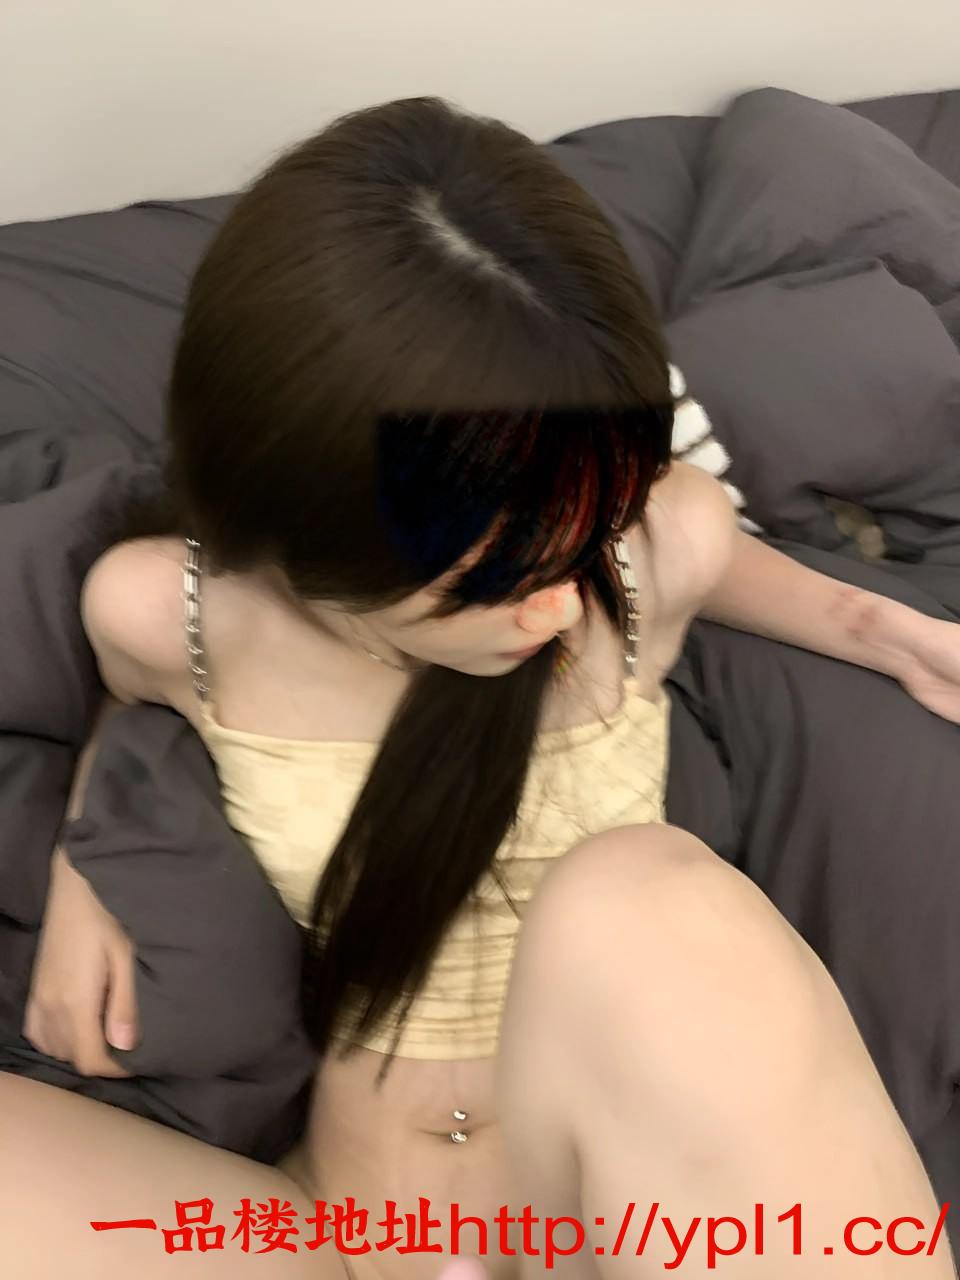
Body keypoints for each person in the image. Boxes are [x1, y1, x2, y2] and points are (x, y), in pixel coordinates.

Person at [4, 98, 958, 1279]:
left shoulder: (656, 552)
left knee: (648, 894)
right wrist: (87, 865)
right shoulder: (175, 613)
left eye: (581, 536)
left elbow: (813, 598)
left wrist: (891, 630)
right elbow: (126, 701)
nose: (556, 609)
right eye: (488, 580)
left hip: (598, 1223)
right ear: (301, 541)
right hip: (332, 1233)